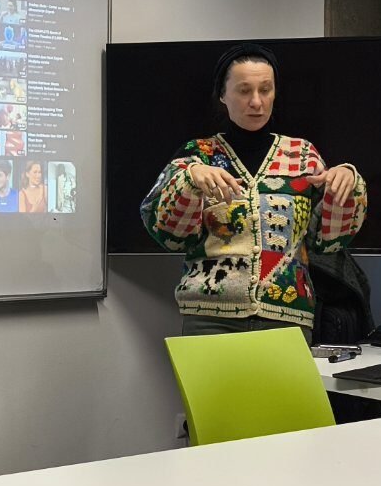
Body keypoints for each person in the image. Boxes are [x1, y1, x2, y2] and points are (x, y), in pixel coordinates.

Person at [139, 43, 367, 339]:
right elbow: (169, 235)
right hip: (210, 318)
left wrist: (347, 184)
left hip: (287, 316)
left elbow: (326, 242)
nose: (256, 102)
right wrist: (189, 179)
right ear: (223, 95)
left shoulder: (302, 156)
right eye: (244, 91)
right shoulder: (199, 155)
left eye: (266, 90)